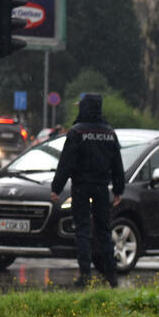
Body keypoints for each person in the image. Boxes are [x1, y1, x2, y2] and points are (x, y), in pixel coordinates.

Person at [50, 93, 124, 287]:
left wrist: (56, 188)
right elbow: (117, 164)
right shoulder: (109, 133)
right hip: (102, 188)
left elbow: (66, 163)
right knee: (104, 230)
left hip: (81, 187)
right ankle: (111, 275)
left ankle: (85, 274)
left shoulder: (77, 132)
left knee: (82, 229)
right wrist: (119, 190)